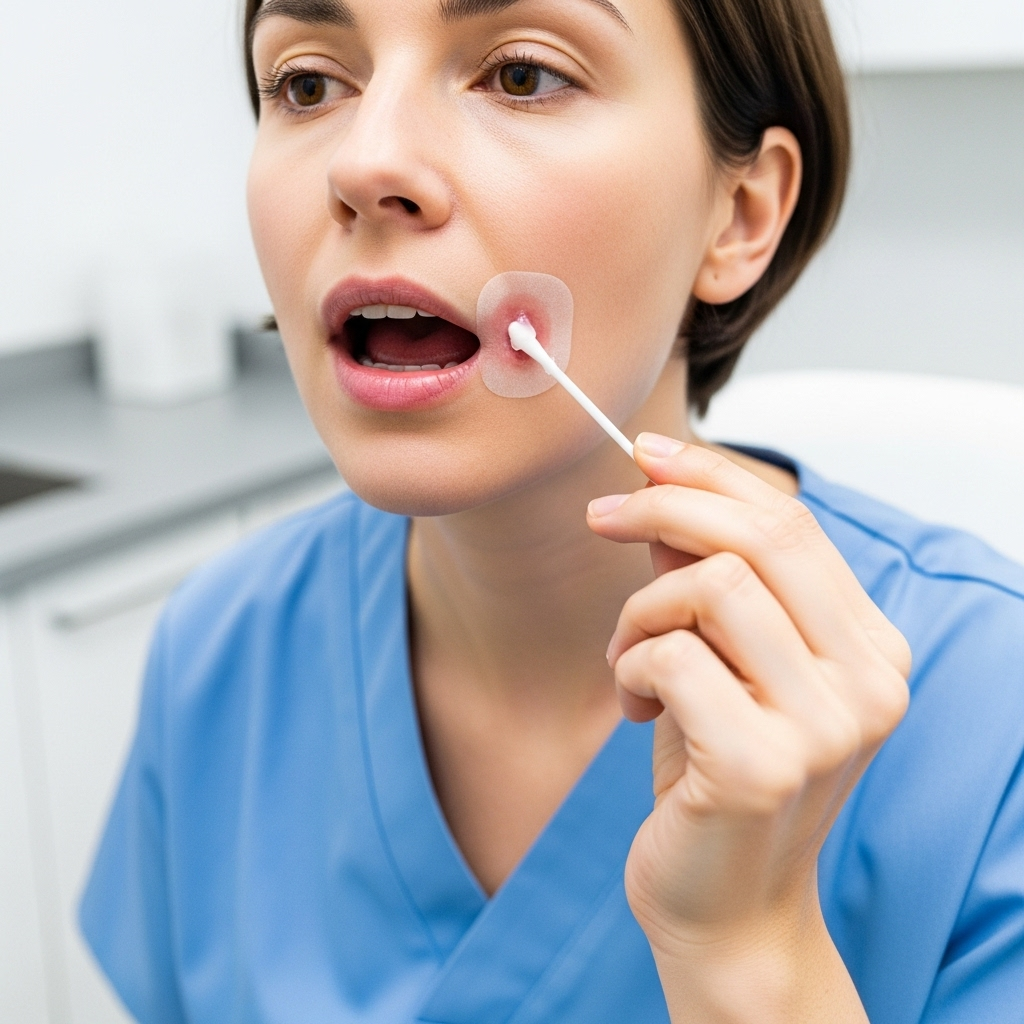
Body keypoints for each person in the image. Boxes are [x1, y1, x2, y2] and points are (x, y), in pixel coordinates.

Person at [81, 0, 1024, 1020]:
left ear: (741, 214)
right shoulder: (222, 651)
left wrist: (747, 951)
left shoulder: (992, 728)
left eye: (521, 74)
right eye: (308, 83)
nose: (362, 164)